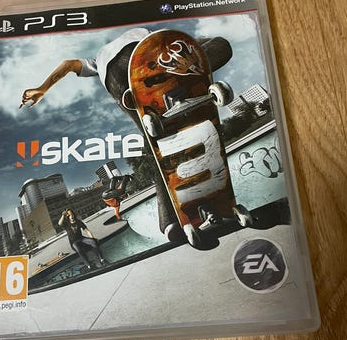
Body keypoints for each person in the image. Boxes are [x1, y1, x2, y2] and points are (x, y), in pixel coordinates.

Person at [20, 28, 233, 244]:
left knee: (157, 146)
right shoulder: (144, 35)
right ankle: (181, 81)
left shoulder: (96, 61)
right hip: (144, 55)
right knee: (222, 45)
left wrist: (42, 88)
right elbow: (186, 45)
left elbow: (68, 65)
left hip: (118, 81)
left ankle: (168, 223)